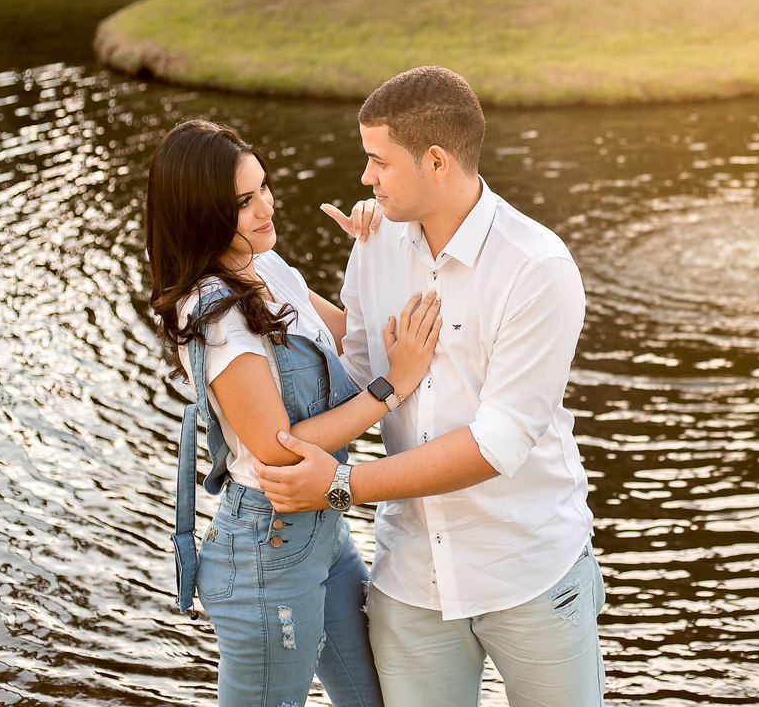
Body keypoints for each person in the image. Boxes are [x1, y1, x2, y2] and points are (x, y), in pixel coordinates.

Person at [256, 66, 605, 707]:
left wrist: (338, 486)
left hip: (530, 572)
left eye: (378, 162)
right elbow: (357, 372)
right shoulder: (375, 243)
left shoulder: (538, 268)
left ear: (437, 161)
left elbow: (498, 443)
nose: (366, 178)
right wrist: (269, 279)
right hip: (411, 578)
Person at [145, 117, 443, 707]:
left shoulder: (267, 266)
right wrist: (394, 387)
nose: (266, 208)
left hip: (324, 533)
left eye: (264, 188)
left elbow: (354, 346)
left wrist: (377, 249)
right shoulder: (216, 316)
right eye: (243, 202)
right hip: (267, 548)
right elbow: (279, 451)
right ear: (201, 214)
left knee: (375, 699)